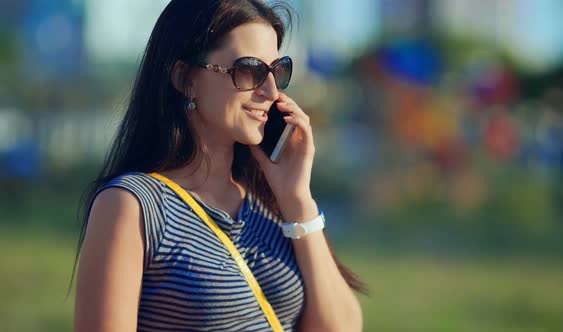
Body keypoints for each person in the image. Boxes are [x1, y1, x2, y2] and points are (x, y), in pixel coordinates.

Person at [73, 0, 366, 331]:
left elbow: (342, 327)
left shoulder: (271, 204)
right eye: (249, 70)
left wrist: (297, 199)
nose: (270, 91)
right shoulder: (132, 206)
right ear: (186, 79)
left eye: (277, 71)